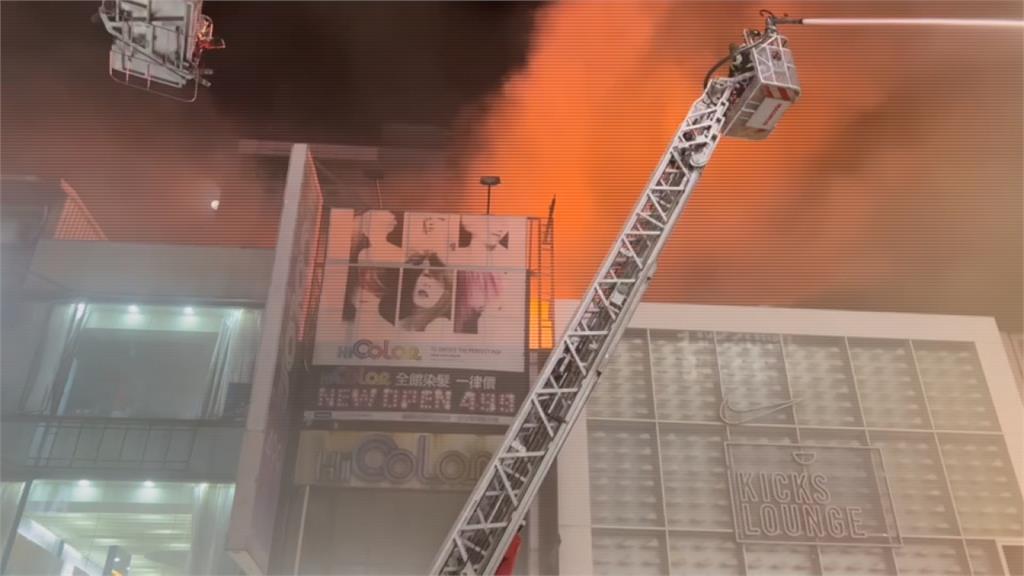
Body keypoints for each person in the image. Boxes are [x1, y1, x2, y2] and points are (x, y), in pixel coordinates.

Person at [398, 252, 453, 332]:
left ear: (446, 294)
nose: (426, 283)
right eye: (425, 275)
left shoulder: (443, 327)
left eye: (436, 278)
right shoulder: (401, 325)